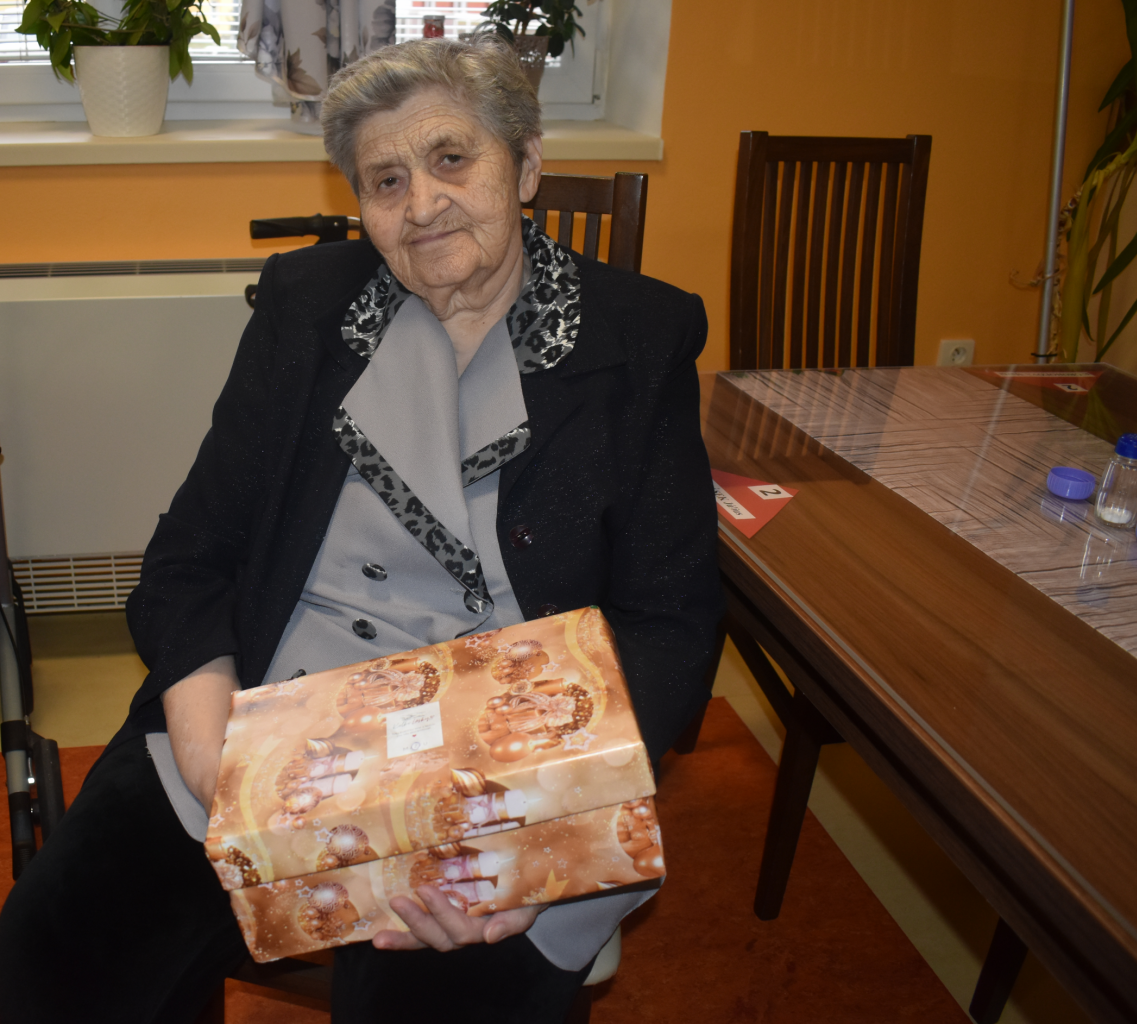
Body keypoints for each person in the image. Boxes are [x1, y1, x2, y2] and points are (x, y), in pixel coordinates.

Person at [0, 37, 721, 1024]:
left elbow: (671, 624)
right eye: (387, 180)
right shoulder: (308, 307)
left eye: (452, 158)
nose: (422, 203)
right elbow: (188, 559)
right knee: (44, 968)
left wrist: (530, 833)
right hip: (263, 722)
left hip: (500, 767)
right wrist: (214, 759)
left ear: (526, 165)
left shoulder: (639, 338)